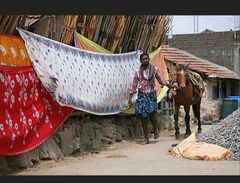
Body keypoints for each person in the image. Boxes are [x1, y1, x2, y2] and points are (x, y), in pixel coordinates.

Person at [128, 52, 172, 144]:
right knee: (143, 116)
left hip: (151, 94)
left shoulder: (154, 69)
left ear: (149, 59)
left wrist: (168, 85)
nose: (145, 60)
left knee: (153, 114)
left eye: (146, 59)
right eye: (143, 59)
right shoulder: (137, 72)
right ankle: (146, 138)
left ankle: (156, 129)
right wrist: (130, 98)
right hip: (142, 95)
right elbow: (134, 85)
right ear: (140, 61)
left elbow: (160, 79)